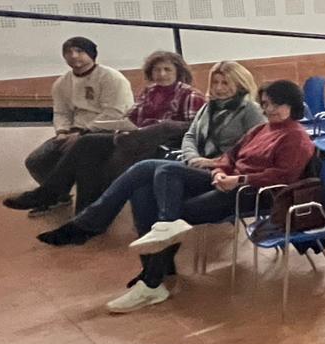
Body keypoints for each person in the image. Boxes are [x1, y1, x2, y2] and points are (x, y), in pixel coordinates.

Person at [102, 80, 313, 313]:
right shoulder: (261, 129)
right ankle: (163, 239)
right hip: (229, 182)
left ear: (292, 104)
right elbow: (231, 156)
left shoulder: (296, 137)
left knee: (176, 211)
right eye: (266, 104)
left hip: (254, 194)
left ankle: (152, 280)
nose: (270, 109)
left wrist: (238, 180)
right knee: (160, 176)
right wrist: (220, 171)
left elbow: (283, 175)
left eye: (277, 104)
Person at [37, 61, 263, 248]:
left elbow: (255, 147)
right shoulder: (209, 107)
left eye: (226, 83)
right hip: (195, 165)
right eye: (216, 82)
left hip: (221, 172)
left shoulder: (249, 110)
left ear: (240, 84)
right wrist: (194, 158)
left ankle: (87, 225)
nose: (219, 88)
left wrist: (215, 162)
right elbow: (190, 137)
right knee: (141, 184)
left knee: (147, 168)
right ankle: (153, 271)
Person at [9, 50, 202, 214]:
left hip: (159, 145)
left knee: (95, 153)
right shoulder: (149, 92)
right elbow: (132, 119)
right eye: (157, 70)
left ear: (178, 71)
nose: (161, 74)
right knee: (87, 147)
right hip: (130, 140)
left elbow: (193, 128)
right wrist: (119, 126)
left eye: (167, 69)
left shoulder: (189, 94)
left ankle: (52, 195)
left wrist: (159, 127)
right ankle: (79, 212)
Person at [18, 36, 135, 213]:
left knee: (83, 160)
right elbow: (61, 112)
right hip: (74, 132)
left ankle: (92, 209)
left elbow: (116, 113)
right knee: (36, 161)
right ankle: (58, 197)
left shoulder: (111, 78)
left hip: (109, 132)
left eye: (79, 51)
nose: (74, 56)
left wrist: (83, 133)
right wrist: (62, 132)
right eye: (68, 52)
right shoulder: (62, 83)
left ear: (91, 54)